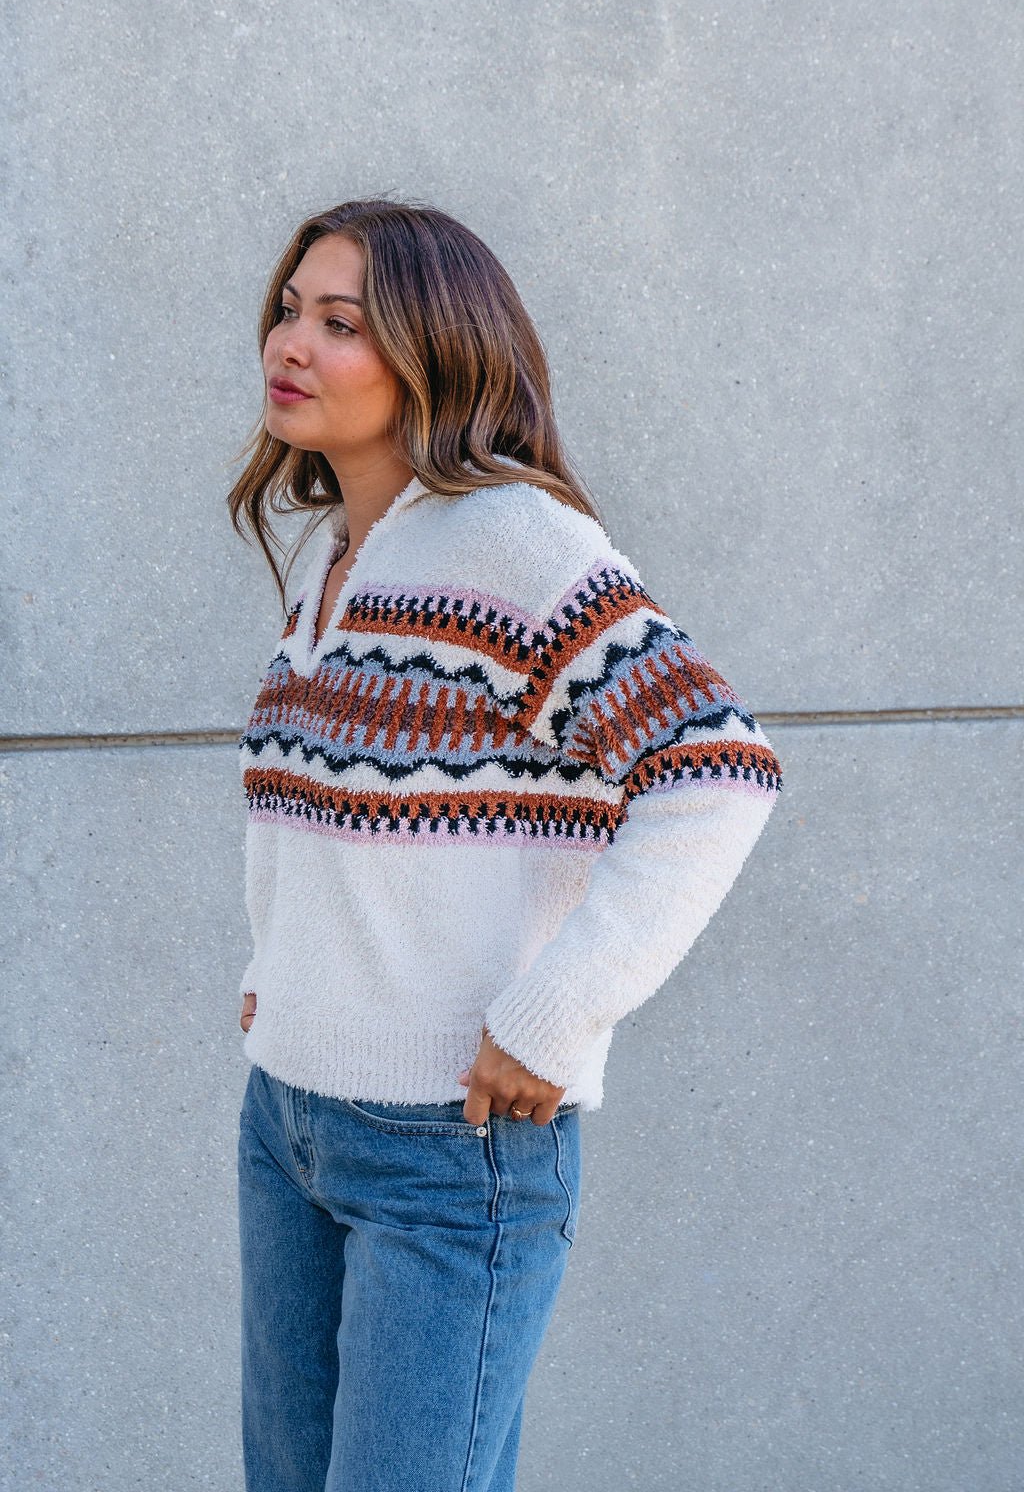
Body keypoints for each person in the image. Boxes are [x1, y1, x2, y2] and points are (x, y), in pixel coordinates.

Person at [226, 196, 783, 1492]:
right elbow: (320, 821)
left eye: (341, 323)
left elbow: (717, 770)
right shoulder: (331, 556)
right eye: (290, 310)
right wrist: (280, 977)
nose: (291, 343)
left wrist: (555, 1015)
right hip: (287, 1122)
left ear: (435, 351)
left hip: (449, 1149)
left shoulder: (515, 541)